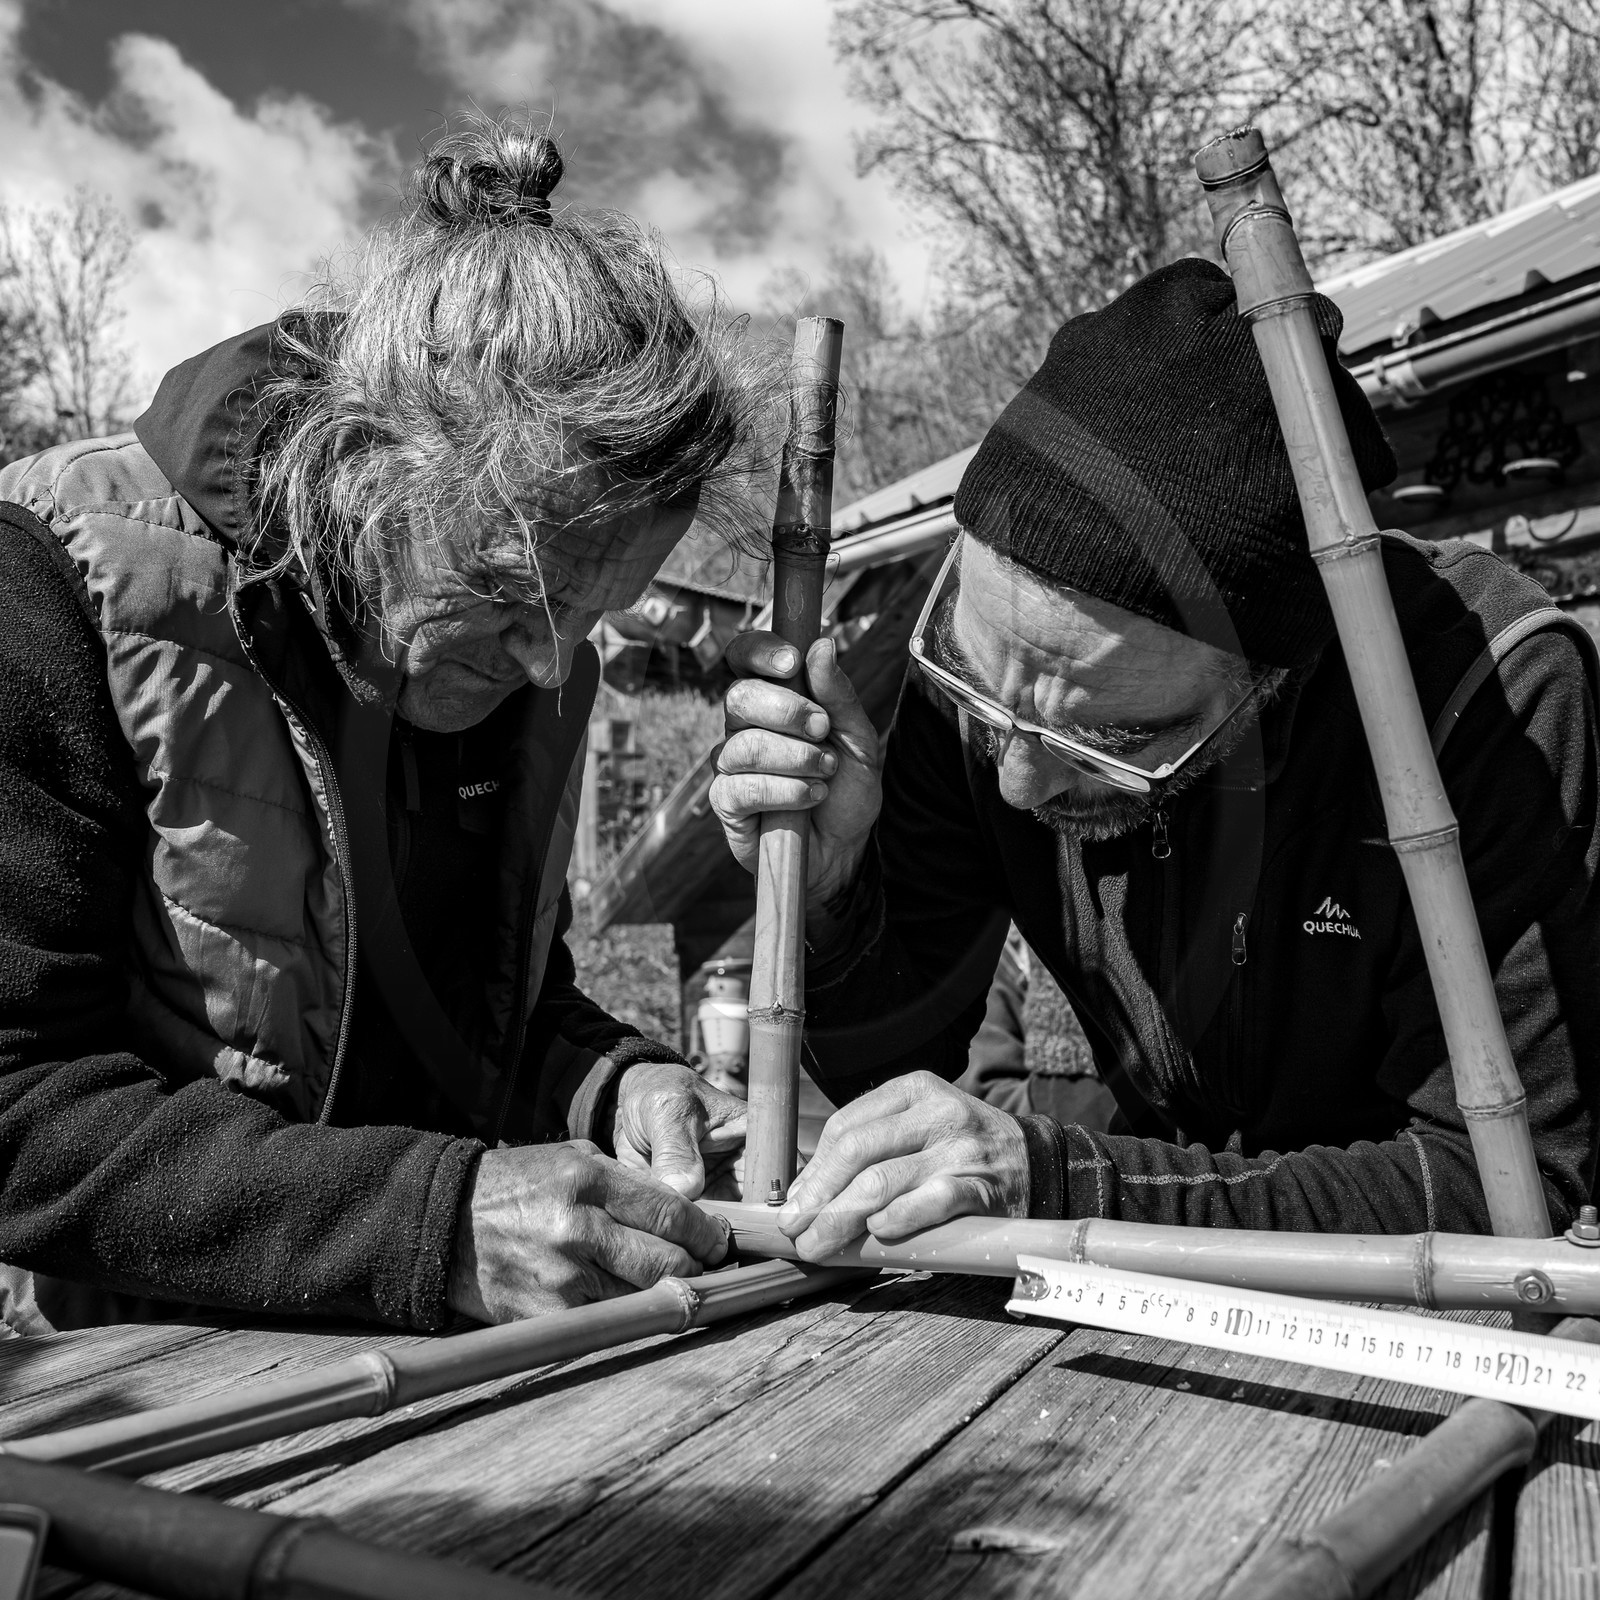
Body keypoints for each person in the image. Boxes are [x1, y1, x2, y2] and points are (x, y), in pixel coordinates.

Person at [0, 113, 760, 1334]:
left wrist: (607, 1084)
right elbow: (17, 1103)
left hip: (461, 1362)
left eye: (597, 611)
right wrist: (429, 1222)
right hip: (148, 1377)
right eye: (508, 594)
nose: (551, 661)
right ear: (361, 468)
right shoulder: (56, 587)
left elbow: (479, 1014)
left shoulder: (517, 662)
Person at [712, 259, 1600, 1259]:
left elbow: (1509, 1186)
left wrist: (1072, 1181)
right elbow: (895, 1058)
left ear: (1276, 677)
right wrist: (831, 901)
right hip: (1134, 1269)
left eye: (1113, 740)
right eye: (986, 690)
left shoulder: (1494, 698)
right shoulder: (995, 685)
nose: (1018, 781)